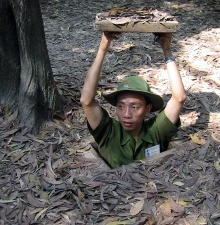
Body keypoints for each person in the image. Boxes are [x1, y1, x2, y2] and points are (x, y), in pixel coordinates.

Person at [80, 32, 186, 168]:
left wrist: (167, 51)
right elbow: (86, 100)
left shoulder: (156, 130)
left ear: (147, 109)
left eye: (135, 107)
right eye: (121, 106)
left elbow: (179, 98)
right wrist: (102, 50)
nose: (126, 114)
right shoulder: (108, 132)